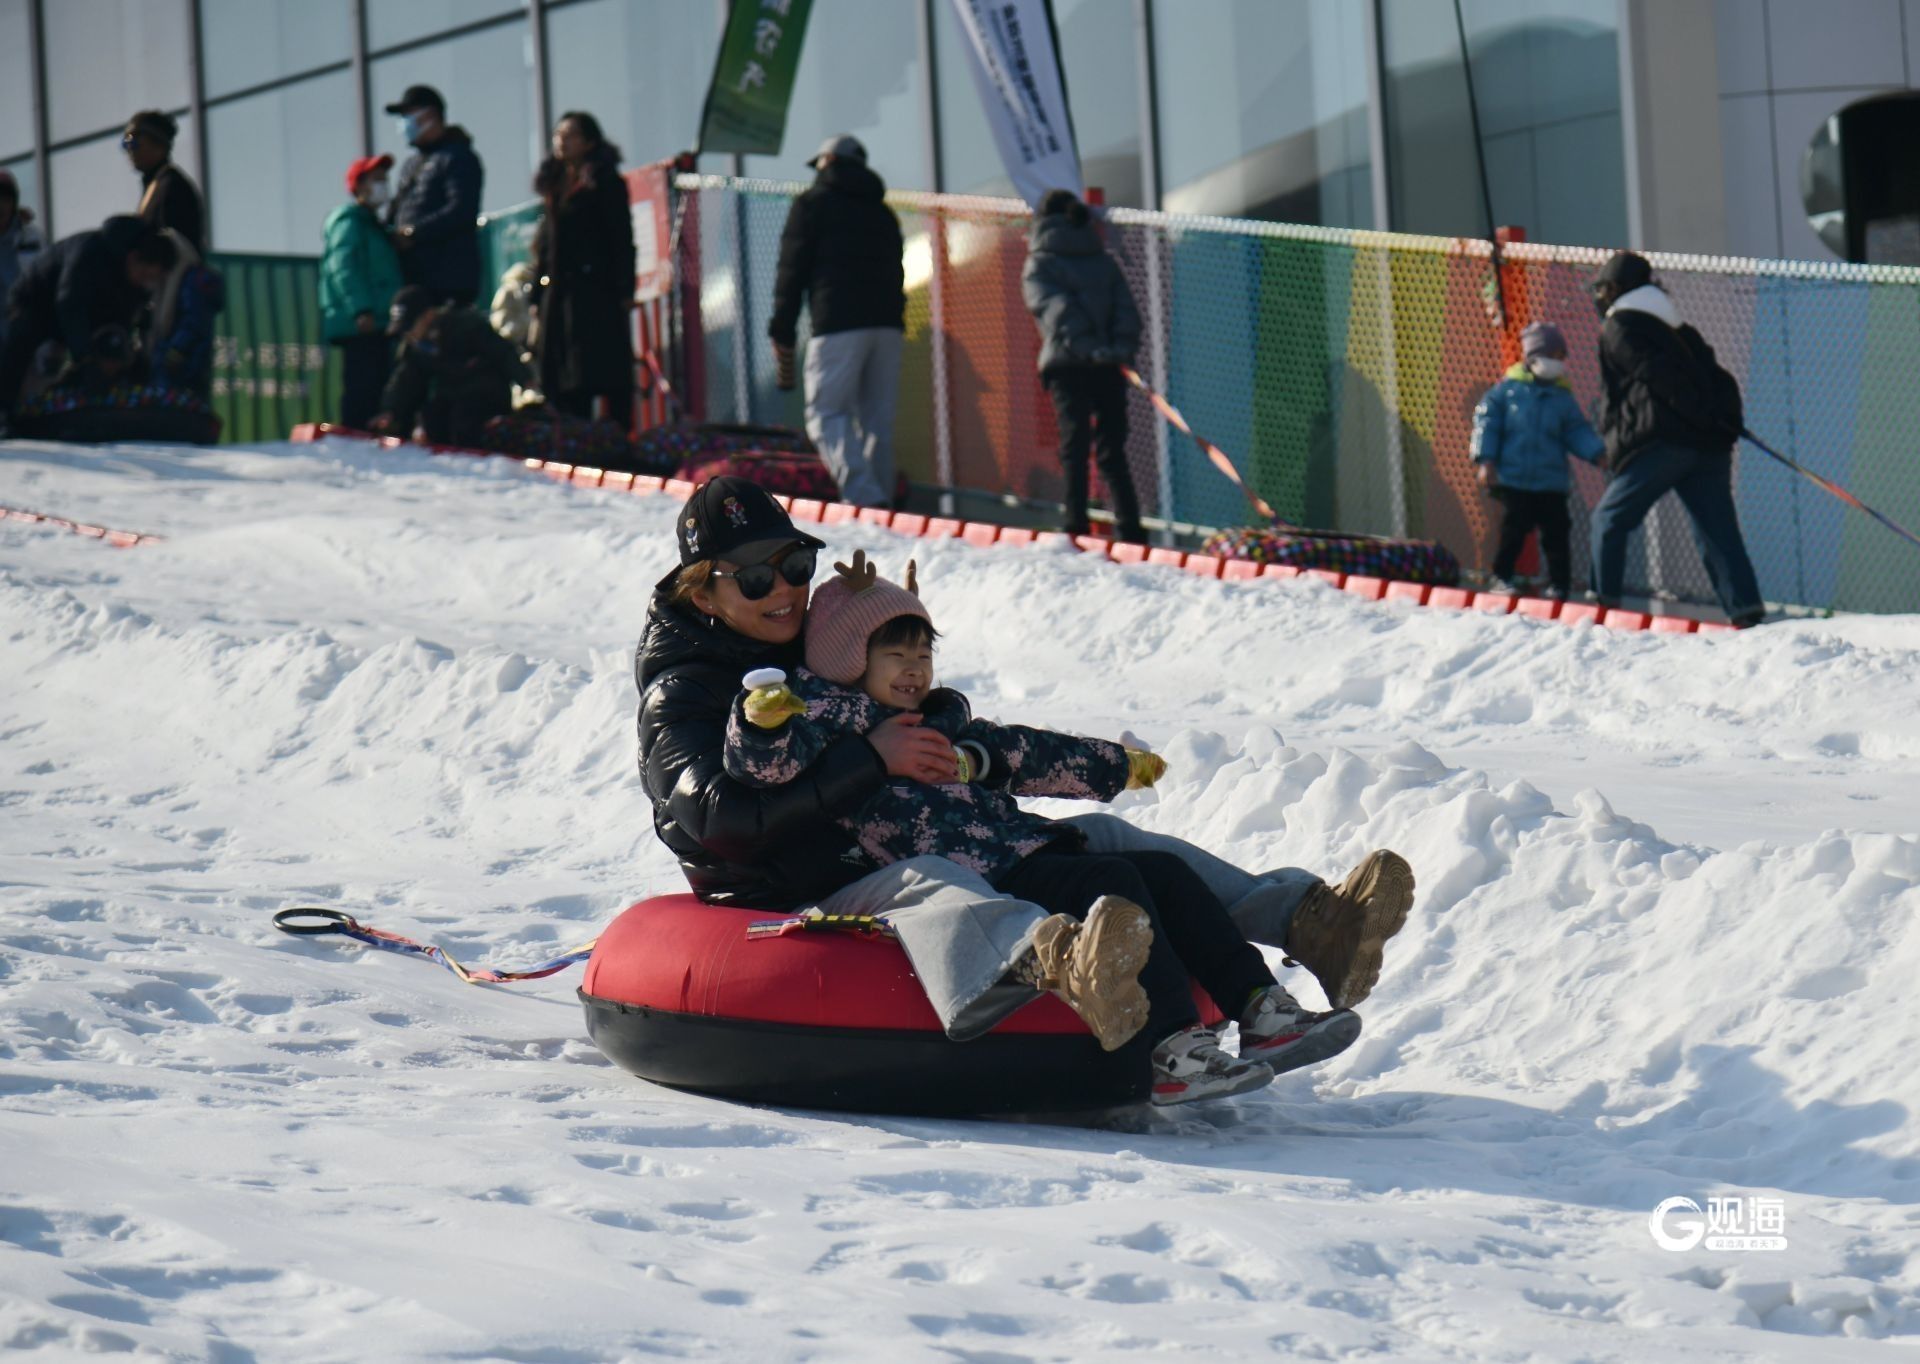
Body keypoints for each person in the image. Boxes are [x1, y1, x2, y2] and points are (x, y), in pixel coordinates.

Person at [635, 477, 1417, 1100]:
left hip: (932, 828)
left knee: (1123, 849)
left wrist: (1105, 764)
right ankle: (1065, 963)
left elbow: (1006, 751)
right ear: (703, 594)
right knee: (956, 879)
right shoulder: (691, 691)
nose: (783, 588)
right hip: (801, 872)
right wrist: (870, 760)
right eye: (756, 577)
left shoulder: (833, 661)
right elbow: (722, 820)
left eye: (796, 567)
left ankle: (1310, 922)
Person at [1587, 251, 1765, 627]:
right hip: (1709, 446)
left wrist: (1692, 416)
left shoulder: (1620, 326)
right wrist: (1722, 422)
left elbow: (1656, 375)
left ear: (1616, 289)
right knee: (1717, 531)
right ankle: (1746, 612)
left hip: (1664, 443)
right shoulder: (1679, 328)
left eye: (1604, 288)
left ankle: (1603, 613)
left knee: (1608, 519)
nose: (1600, 297)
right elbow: (1718, 378)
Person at [767, 135, 905, 508]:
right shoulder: (883, 212)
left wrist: (783, 327)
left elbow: (791, 270)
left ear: (828, 160)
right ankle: (882, 498)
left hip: (838, 323)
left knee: (826, 412)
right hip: (888, 324)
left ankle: (864, 497)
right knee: (877, 419)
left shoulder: (813, 205)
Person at [1021, 188, 1147, 544]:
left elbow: (1053, 310)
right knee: (1112, 449)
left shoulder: (1039, 263)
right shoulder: (1102, 258)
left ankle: (1074, 523)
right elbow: (1126, 309)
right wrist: (1117, 348)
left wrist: (1086, 346)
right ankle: (1131, 528)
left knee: (1074, 445)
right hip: (1108, 365)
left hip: (1067, 364)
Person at [0, 216, 176, 433]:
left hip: (85, 309)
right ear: (132, 258)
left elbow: (121, 326)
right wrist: (85, 357)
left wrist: (121, 358)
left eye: (152, 279)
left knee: (112, 352)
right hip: (37, 300)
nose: (145, 282)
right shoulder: (90, 253)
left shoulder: (135, 282)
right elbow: (70, 304)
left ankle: (81, 393)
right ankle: (5, 411)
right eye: (144, 274)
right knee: (22, 339)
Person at [1469, 321, 1606, 598]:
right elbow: (1488, 425)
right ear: (1534, 357)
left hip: (1551, 481)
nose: (1559, 363)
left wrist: (1597, 452)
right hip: (1515, 480)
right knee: (1513, 531)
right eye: (1554, 356)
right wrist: (1486, 461)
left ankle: (1559, 584)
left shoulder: (1562, 397)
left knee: (1556, 535)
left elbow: (1576, 430)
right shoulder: (1506, 393)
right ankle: (1502, 576)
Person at [532, 113, 636, 425]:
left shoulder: (605, 182)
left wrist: (625, 288)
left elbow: (621, 237)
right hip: (558, 292)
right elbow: (546, 245)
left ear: (589, 141)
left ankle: (612, 439)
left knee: (599, 369)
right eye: (558, 134)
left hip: (595, 290)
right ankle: (570, 432)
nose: (561, 141)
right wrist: (538, 292)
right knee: (560, 370)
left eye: (570, 135)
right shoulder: (554, 183)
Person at [371, 285, 526, 446]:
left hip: (485, 393)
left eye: (410, 327)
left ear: (428, 315)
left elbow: (502, 352)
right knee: (432, 417)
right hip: (450, 395)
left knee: (466, 418)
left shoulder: (465, 325)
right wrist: (390, 410)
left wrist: (524, 379)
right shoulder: (415, 347)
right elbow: (404, 380)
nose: (408, 335)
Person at [320, 154, 404, 430]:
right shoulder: (349, 221)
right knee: (362, 386)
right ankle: (354, 435)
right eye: (376, 179)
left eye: (384, 179)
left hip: (378, 320)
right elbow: (343, 267)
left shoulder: (374, 226)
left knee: (377, 382)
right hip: (362, 321)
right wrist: (361, 308)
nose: (383, 185)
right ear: (358, 186)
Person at [385, 84, 484, 307]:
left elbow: (461, 211)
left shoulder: (458, 157)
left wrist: (414, 233)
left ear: (430, 115)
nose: (403, 124)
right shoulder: (412, 164)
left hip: (449, 281)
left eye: (407, 115)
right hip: (416, 279)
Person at [144, 228, 224, 395]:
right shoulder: (170, 281)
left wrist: (175, 352)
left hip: (183, 369)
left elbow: (195, 323)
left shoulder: (193, 281)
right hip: (172, 366)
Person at [123, 110, 207, 256]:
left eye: (133, 141)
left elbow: (176, 247)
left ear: (158, 144)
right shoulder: (157, 185)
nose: (129, 148)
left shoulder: (173, 186)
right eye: (126, 143)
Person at [0, 170, 46, 354]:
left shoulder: (32, 236)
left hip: (28, 329)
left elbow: (46, 279)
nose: (1, 206)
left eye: (6, 200)